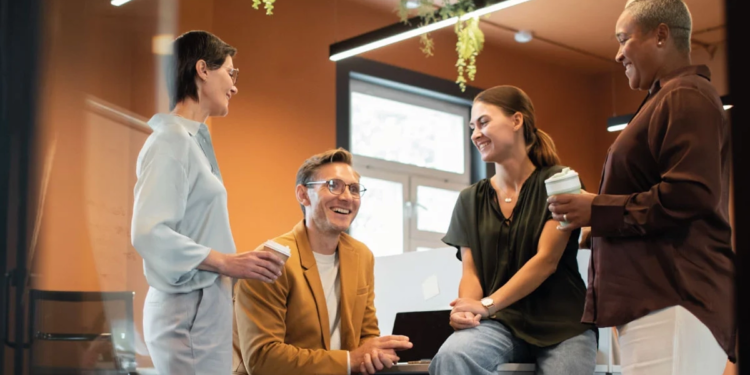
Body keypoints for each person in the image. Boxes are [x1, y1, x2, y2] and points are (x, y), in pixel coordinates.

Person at [547, 1, 736, 374]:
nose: (617, 54)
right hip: (656, 300)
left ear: (661, 35)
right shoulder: (664, 99)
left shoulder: (685, 96)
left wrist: (597, 210)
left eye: (623, 39)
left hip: (674, 298)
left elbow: (690, 195)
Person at [131, 31, 284, 375]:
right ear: (202, 69)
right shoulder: (171, 142)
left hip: (202, 303)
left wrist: (232, 265)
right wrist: (227, 262)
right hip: (187, 307)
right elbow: (149, 233)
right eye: (231, 73)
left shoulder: (192, 142)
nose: (235, 86)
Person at [429, 86, 597, 375]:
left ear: (517, 121)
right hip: (501, 322)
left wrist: (488, 304)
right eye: (472, 127)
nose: (475, 134)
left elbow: (546, 261)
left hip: (563, 323)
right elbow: (471, 272)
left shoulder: (559, 181)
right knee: (452, 356)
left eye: (483, 122)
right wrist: (467, 310)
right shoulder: (470, 199)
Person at [232, 148, 413, 375]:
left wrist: (376, 353)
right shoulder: (270, 259)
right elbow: (263, 359)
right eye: (333, 185)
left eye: (354, 189)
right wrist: (349, 361)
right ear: (303, 195)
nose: (346, 197)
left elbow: (366, 335)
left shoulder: (361, 256)